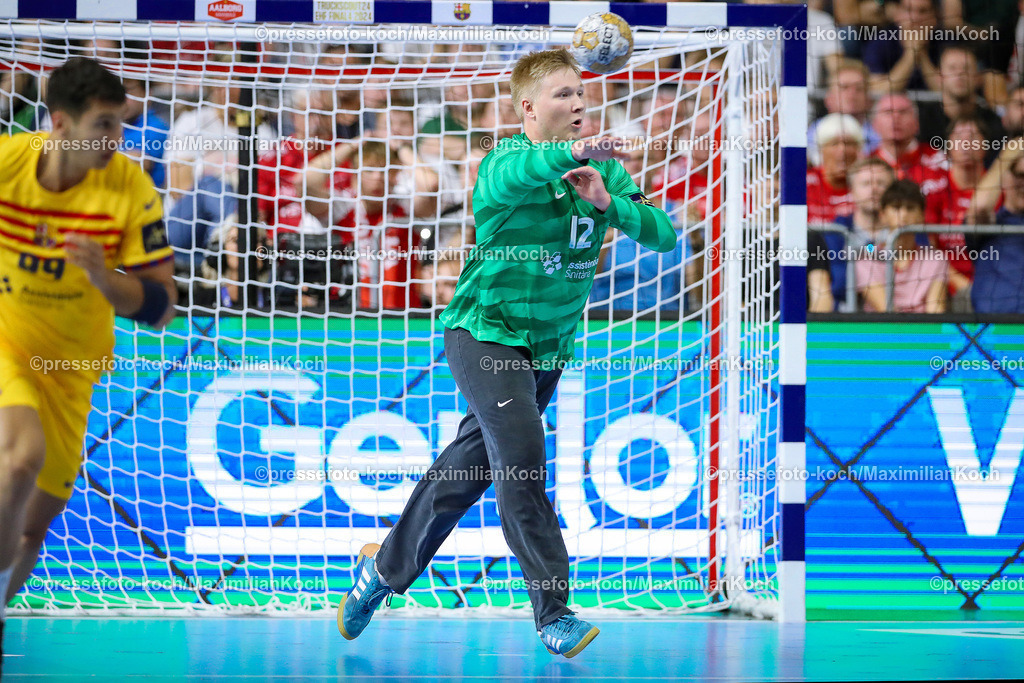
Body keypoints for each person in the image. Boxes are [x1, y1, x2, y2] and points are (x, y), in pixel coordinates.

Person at [336, 48, 675, 658]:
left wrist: (606, 201)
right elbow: (521, 176)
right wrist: (574, 156)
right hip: (485, 334)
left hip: (547, 348)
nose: (578, 104)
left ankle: (381, 572)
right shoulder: (502, 162)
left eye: (581, 93)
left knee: (466, 473)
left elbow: (663, 234)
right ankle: (554, 611)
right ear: (528, 107)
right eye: (563, 95)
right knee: (522, 464)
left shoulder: (605, 177)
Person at [0, 58, 176, 664]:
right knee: (20, 458)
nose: (115, 141)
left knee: (32, 528)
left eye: (119, 126)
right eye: (103, 126)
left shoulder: (129, 188)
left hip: (73, 369)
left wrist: (105, 278)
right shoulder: (8, 163)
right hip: (6, 342)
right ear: (59, 124)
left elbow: (160, 307)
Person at [856, 180, 948, 313]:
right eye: (896, 207)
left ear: (921, 215)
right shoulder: (867, 258)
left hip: (924, 331)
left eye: (910, 208)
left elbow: (935, 311)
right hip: (884, 331)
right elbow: (886, 310)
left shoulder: (936, 259)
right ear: (882, 215)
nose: (903, 215)